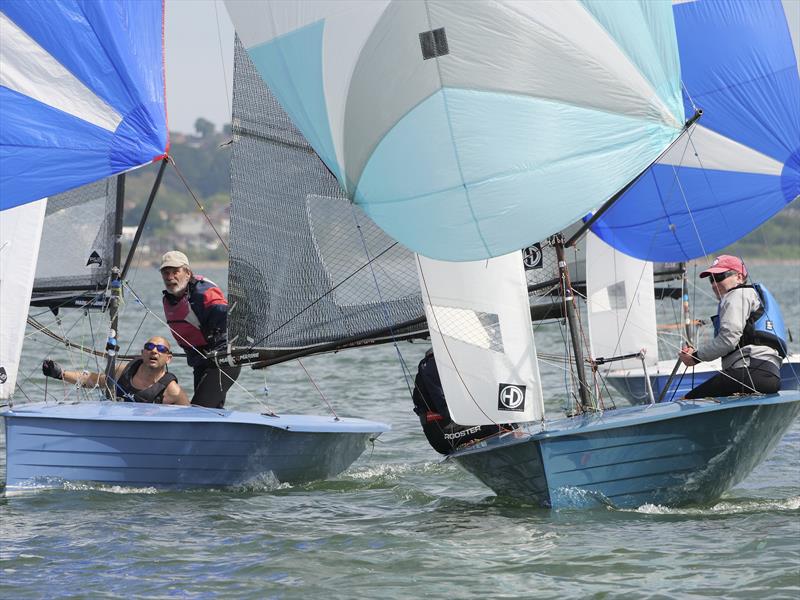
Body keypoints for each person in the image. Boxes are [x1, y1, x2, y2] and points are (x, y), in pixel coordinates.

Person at [678, 255, 787, 399]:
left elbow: (728, 340)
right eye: (711, 279)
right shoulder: (753, 296)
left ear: (739, 276)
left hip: (747, 373)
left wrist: (695, 357)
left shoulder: (737, 294)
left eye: (720, 277)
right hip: (771, 378)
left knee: (688, 401)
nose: (714, 284)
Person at [160, 250, 240, 408]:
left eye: (175, 272)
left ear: (188, 273)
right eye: (166, 273)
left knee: (199, 410)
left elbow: (230, 323)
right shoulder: (170, 298)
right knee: (209, 412)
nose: (170, 277)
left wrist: (219, 355)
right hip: (200, 362)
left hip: (223, 361)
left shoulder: (205, 293)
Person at [411, 349, 509, 454]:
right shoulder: (433, 366)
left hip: (451, 428)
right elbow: (445, 410)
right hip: (444, 433)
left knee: (504, 417)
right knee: (502, 424)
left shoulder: (448, 366)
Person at [42, 336, 189, 405]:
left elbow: (188, 423)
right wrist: (60, 374)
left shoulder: (173, 392)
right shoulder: (122, 371)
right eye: (149, 347)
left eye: (161, 349)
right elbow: (92, 380)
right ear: (142, 352)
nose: (154, 351)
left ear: (168, 358)